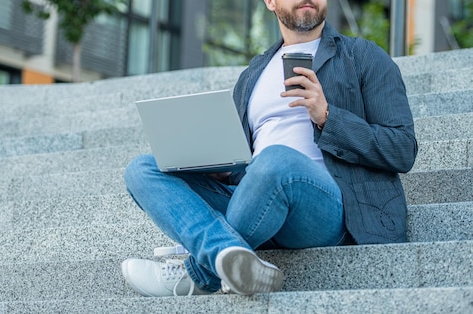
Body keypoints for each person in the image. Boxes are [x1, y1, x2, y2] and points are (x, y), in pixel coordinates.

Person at [121, 0, 418, 297]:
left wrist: (328, 118)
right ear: (270, 2)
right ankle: (228, 254)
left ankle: (197, 274)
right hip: (259, 202)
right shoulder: (254, 73)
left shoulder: (364, 57)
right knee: (143, 169)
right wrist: (224, 171)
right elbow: (248, 168)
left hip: (329, 210)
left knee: (275, 160)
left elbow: (402, 148)